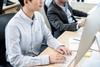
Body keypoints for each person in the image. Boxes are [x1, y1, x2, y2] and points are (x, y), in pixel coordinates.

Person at [5, 0, 71, 67]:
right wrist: (47, 59)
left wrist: (58, 46)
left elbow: (48, 37)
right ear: (26, 1)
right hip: (22, 64)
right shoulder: (13, 26)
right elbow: (15, 60)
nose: (41, 1)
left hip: (37, 58)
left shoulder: (38, 16)